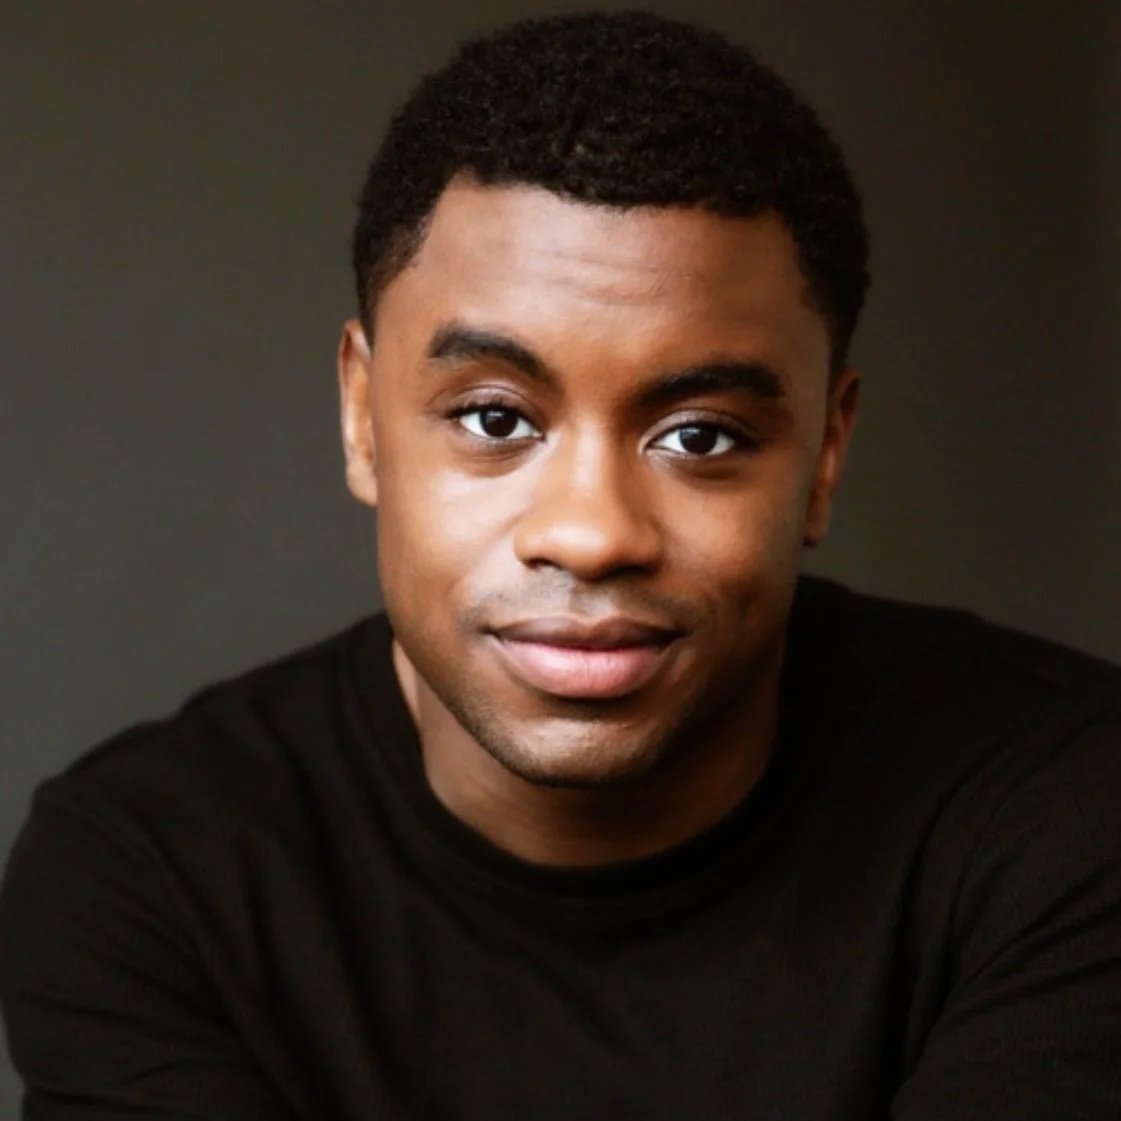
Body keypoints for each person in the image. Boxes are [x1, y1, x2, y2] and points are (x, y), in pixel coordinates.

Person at [2, 10, 1119, 1119]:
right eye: (494, 418)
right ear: (361, 416)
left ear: (825, 452)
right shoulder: (147, 876)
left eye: (699, 435)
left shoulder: (1066, 814)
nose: (590, 533)